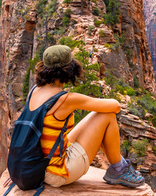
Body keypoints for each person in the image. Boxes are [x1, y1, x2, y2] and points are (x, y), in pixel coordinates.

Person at [29, 44, 144, 188]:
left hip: (38, 166)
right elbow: (115, 106)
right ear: (70, 70)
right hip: (56, 173)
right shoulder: (65, 99)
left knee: (96, 115)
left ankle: (118, 167)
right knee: (107, 116)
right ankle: (119, 169)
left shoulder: (34, 91)